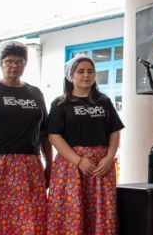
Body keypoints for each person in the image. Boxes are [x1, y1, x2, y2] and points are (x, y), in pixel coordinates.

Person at [46, 56, 124, 234]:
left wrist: (109, 158)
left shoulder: (104, 101)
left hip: (101, 166)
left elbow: (114, 131)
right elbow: (54, 136)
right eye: (80, 71)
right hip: (71, 165)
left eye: (90, 71)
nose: (86, 75)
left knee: (101, 210)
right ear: (70, 76)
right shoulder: (60, 104)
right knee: (71, 211)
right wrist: (79, 161)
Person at [0, 41, 52, 234]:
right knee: (0, 217)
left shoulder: (35, 93)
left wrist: (49, 165)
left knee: (33, 217)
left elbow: (44, 133)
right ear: (0, 63)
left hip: (31, 165)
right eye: (9, 61)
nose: (14, 66)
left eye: (20, 61)